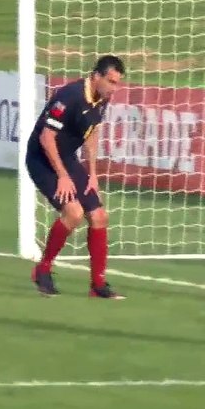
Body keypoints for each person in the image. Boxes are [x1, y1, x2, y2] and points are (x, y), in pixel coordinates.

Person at [26, 55, 126, 299]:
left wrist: (92, 174)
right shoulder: (69, 96)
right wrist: (62, 176)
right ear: (96, 76)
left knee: (99, 216)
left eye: (117, 83)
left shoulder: (101, 99)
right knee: (74, 212)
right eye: (111, 82)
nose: (114, 88)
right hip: (42, 159)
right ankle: (43, 270)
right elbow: (46, 138)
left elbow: (91, 133)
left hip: (67, 158)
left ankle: (97, 285)